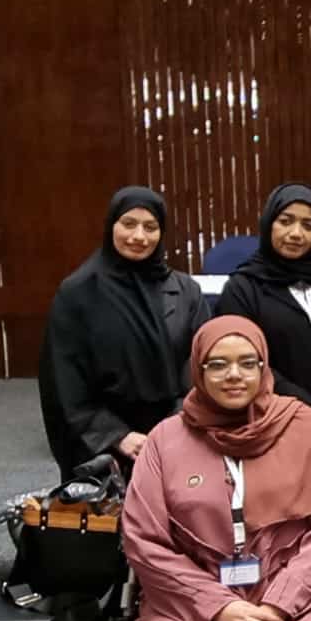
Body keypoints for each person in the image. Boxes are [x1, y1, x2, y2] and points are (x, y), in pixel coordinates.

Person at [123, 315, 311, 621]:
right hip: (190, 596)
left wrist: (276, 608)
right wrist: (219, 608)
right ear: (197, 371)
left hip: (297, 596)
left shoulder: (304, 427)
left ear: (265, 367)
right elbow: (144, 541)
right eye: (218, 364)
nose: (235, 375)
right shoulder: (165, 440)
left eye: (248, 363)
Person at [39, 186, 209, 481]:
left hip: (180, 430)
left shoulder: (185, 292)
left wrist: (178, 424)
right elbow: (64, 380)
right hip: (107, 444)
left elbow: (202, 361)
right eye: (129, 224)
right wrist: (117, 436)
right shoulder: (79, 293)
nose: (139, 237)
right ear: (111, 226)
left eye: (150, 227)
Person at [215, 183, 311, 472]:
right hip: (275, 416)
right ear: (269, 223)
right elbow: (250, 362)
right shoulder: (243, 287)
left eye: (308, 225)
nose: (296, 233)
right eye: (286, 221)